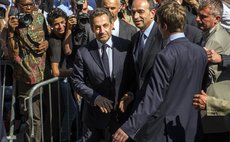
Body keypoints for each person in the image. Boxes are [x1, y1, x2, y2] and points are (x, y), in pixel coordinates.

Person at [113, 1, 207, 142]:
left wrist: (129, 127)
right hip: (190, 127)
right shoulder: (200, 52)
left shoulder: (165, 55)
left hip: (165, 130)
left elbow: (154, 97)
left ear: (163, 25)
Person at [70, 8, 133, 142]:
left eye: (105, 26)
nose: (102, 31)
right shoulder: (84, 52)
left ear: (111, 25)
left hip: (121, 117)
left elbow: (134, 77)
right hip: (94, 120)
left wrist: (130, 94)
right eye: (97, 27)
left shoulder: (126, 47)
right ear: (92, 29)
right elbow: (76, 81)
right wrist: (95, 97)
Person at [7, 0, 48, 140]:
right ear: (17, 5)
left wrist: (46, 44)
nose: (29, 8)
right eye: (25, 5)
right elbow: (12, 54)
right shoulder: (13, 22)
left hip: (44, 76)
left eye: (31, 4)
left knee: (41, 115)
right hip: (26, 76)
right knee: (30, 116)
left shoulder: (40, 17)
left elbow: (49, 36)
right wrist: (11, 32)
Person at [196, 0, 230, 141]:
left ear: (217, 19)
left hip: (217, 111)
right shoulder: (213, 33)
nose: (197, 19)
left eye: (203, 16)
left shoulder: (215, 41)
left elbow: (204, 74)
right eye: (198, 15)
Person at [46, 8, 78, 142]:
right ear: (51, 26)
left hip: (70, 81)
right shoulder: (53, 41)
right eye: (56, 24)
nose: (61, 27)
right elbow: (55, 71)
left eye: (63, 23)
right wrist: (76, 71)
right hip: (61, 81)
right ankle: (64, 138)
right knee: (72, 109)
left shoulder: (69, 33)